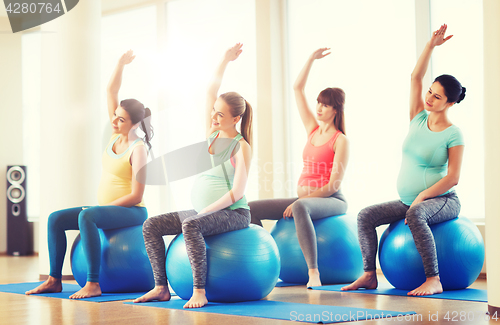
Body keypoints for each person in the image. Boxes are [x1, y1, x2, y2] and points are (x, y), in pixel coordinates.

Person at [342, 24, 466, 296]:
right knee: (366, 216)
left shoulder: (454, 133)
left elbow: (453, 177)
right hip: (409, 200)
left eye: (437, 96)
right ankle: (369, 274)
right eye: (430, 92)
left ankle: (433, 278)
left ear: (450, 103)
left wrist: (422, 197)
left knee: (415, 213)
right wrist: (431, 46)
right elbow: (414, 77)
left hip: (442, 201)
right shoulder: (417, 118)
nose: (430, 98)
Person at [26, 50, 154, 299]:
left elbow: (137, 195)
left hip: (132, 210)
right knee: (56, 219)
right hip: (108, 208)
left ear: (135, 124)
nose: (114, 122)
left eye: (121, 120)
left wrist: (99, 210)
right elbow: (111, 91)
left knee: (88, 218)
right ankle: (54, 279)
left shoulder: (138, 149)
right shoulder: (117, 134)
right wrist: (120, 64)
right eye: (115, 117)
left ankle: (93, 283)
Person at [133, 43, 253, 308]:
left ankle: (199, 290)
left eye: (220, 114)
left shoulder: (240, 146)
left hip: (234, 213)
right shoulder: (211, 136)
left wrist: (206, 210)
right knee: (151, 225)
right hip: (204, 210)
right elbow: (210, 90)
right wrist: (224, 59)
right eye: (213, 111)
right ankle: (161, 287)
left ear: (235, 119)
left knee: (191, 225)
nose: (213, 116)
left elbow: (238, 192)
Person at [249, 48, 349, 287]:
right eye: (318, 103)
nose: (319, 108)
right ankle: (260, 261)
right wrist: (310, 60)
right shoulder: (313, 130)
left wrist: (297, 202)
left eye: (325, 105)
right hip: (304, 200)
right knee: (252, 207)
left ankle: (313, 271)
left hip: (333, 199)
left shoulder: (340, 140)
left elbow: (333, 184)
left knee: (301, 205)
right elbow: (297, 88)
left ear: (336, 109)